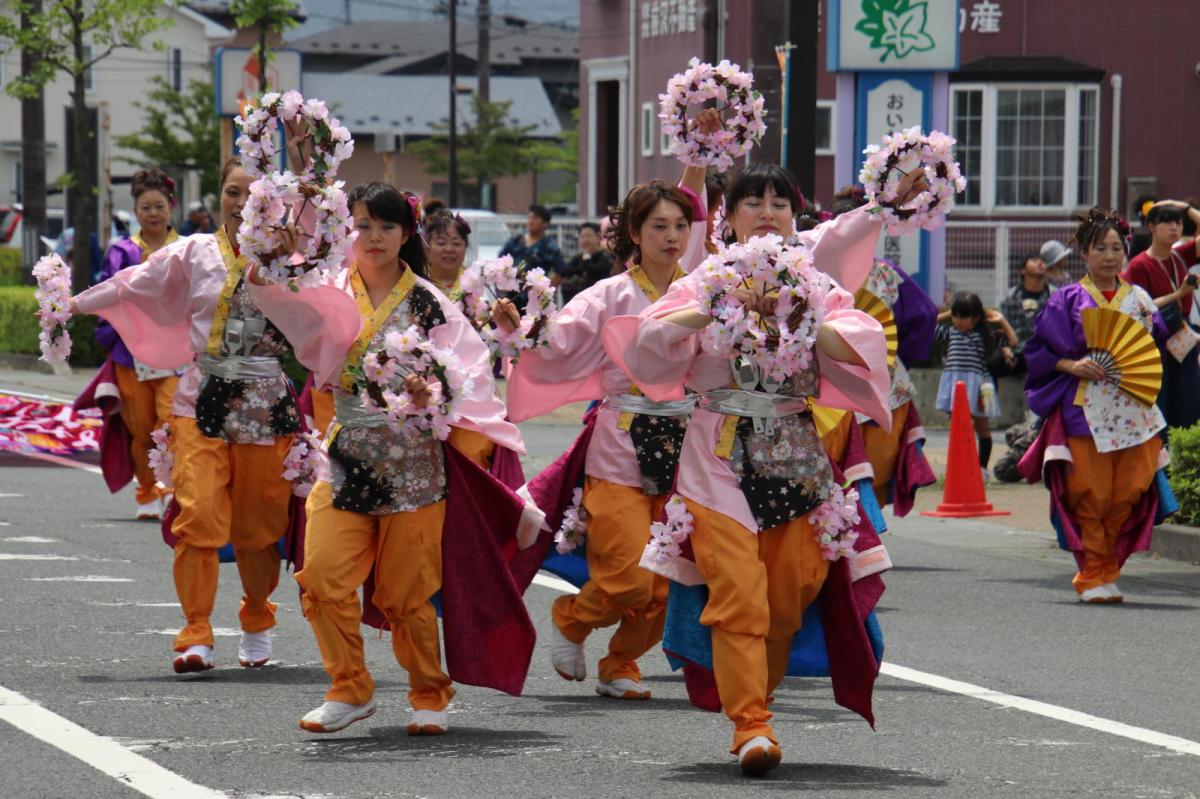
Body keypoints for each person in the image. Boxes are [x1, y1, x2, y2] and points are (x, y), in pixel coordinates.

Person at [602, 162, 927, 776]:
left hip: (794, 453)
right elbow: (646, 343)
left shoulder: (818, 285)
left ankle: (759, 696)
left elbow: (858, 348)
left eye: (782, 201)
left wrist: (805, 315)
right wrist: (712, 307)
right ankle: (751, 724)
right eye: (755, 201)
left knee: (788, 593)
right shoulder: (703, 279)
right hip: (715, 455)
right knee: (738, 589)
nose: (770, 211)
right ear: (729, 217)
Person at [247, 179, 537, 736]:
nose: (372, 237)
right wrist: (272, 254)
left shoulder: (430, 303)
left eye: (385, 226)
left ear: (407, 235)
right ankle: (349, 687)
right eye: (361, 225)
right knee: (323, 576)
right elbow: (270, 291)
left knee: (405, 594)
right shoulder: (330, 286)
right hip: (348, 454)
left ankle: (429, 689)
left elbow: (471, 375)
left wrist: (438, 394)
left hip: (416, 466)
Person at [70, 158, 298, 674]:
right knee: (197, 514)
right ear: (218, 196)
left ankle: (258, 617)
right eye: (233, 192)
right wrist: (75, 305)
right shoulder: (194, 251)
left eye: (254, 195)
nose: (243, 204)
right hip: (200, 398)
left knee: (259, 526)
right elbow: (135, 283)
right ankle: (196, 632)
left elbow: (328, 310)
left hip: (265, 399)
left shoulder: (293, 258)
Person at [504, 180, 702, 702]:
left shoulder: (701, 291)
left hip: (688, 446)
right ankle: (571, 618)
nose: (672, 236)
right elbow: (555, 341)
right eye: (659, 226)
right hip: (620, 445)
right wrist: (520, 330)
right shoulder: (608, 295)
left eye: (681, 226)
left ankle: (621, 661)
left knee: (672, 577)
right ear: (634, 233)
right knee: (630, 575)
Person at [1021, 208, 1171, 603]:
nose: (1109, 255)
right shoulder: (1067, 299)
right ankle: (1093, 574)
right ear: (1084, 253)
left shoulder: (1139, 299)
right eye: (1100, 248)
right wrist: (1073, 364)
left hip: (1134, 409)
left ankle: (1107, 568)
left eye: (1116, 247)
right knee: (1091, 493)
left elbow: (1153, 349)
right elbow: (1037, 352)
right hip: (1083, 410)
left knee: (1130, 491)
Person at [826, 185, 939, 514]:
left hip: (831, 386)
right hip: (883, 383)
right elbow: (925, 314)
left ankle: (851, 536)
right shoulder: (887, 274)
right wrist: (903, 352)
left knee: (837, 467)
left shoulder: (817, 271)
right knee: (872, 470)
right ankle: (866, 533)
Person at [91, 167, 182, 520]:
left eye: (159, 206)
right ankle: (147, 492)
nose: (154, 213)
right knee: (142, 429)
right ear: (136, 211)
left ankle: (172, 493)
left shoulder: (188, 248)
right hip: (131, 355)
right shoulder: (121, 252)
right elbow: (105, 296)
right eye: (146, 207)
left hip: (177, 355)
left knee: (171, 425)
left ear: (171, 207)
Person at [1122, 200, 1200, 431]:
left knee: (1189, 403)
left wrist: (1185, 208)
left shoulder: (1180, 256)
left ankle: (1186, 460)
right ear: (1151, 226)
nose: (1174, 227)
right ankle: (1159, 464)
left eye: (1178, 222)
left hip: (1182, 335)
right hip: (1155, 338)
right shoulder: (1139, 264)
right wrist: (1179, 293)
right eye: (1166, 222)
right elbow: (1138, 307)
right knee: (1160, 404)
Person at [935, 293, 1017, 482]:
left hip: (979, 388)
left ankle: (981, 469)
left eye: (963, 317)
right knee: (959, 428)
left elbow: (1012, 341)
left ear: (976, 318)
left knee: (982, 428)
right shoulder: (951, 332)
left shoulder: (985, 337)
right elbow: (926, 325)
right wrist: (947, 313)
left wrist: (1002, 320)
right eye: (956, 316)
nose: (958, 321)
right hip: (956, 386)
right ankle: (960, 467)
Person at [999, 252, 1056, 363]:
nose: (1040, 263)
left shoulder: (1056, 296)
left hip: (1046, 353)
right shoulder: (1010, 297)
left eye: (1043, 261)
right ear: (1023, 270)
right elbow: (1002, 329)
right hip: (1017, 352)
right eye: (1034, 260)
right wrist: (1006, 349)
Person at [499, 204, 565, 278]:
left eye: (535, 218)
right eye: (529, 218)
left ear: (545, 224)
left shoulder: (549, 246)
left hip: (536, 287)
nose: (530, 221)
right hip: (512, 286)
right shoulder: (515, 241)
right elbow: (500, 261)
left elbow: (561, 271)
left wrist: (545, 288)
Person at [556, 222, 614, 302]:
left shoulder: (605, 257)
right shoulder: (578, 258)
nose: (585, 240)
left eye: (588, 236)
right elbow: (565, 271)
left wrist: (586, 259)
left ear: (598, 237)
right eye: (582, 237)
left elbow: (593, 271)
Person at [424, 209, 470, 302]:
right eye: (441, 243)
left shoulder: (474, 282)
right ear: (427, 247)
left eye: (456, 243)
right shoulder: (418, 282)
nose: (449, 249)